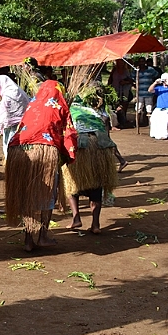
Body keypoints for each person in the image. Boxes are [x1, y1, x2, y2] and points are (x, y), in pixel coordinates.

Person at [6, 80, 77, 252]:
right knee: (47, 194)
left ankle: (28, 239)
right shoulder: (60, 105)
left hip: (19, 152)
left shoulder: (32, 104)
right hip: (44, 150)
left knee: (27, 194)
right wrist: (68, 157)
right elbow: (70, 134)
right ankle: (43, 236)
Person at [63, 85, 120, 234]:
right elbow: (106, 129)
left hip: (81, 147)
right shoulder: (92, 111)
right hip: (99, 147)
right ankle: (96, 224)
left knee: (71, 183)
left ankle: (76, 218)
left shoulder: (67, 109)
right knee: (96, 185)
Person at [0, 75, 29, 148]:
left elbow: (4, 112)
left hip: (13, 124)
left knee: (10, 142)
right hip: (22, 122)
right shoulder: (15, 90)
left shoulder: (8, 95)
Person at [107, 59, 134, 129]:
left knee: (124, 105)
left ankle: (123, 121)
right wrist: (108, 88)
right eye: (118, 62)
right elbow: (110, 79)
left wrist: (125, 82)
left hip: (124, 91)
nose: (120, 63)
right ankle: (116, 122)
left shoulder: (126, 71)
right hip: (115, 90)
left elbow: (131, 80)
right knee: (115, 105)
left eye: (121, 62)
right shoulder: (114, 70)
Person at [135, 57, 159, 127]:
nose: (142, 63)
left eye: (143, 61)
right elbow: (132, 78)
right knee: (138, 109)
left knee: (149, 109)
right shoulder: (136, 70)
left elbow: (157, 75)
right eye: (140, 62)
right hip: (139, 93)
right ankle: (137, 124)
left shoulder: (150, 70)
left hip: (149, 93)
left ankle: (150, 124)